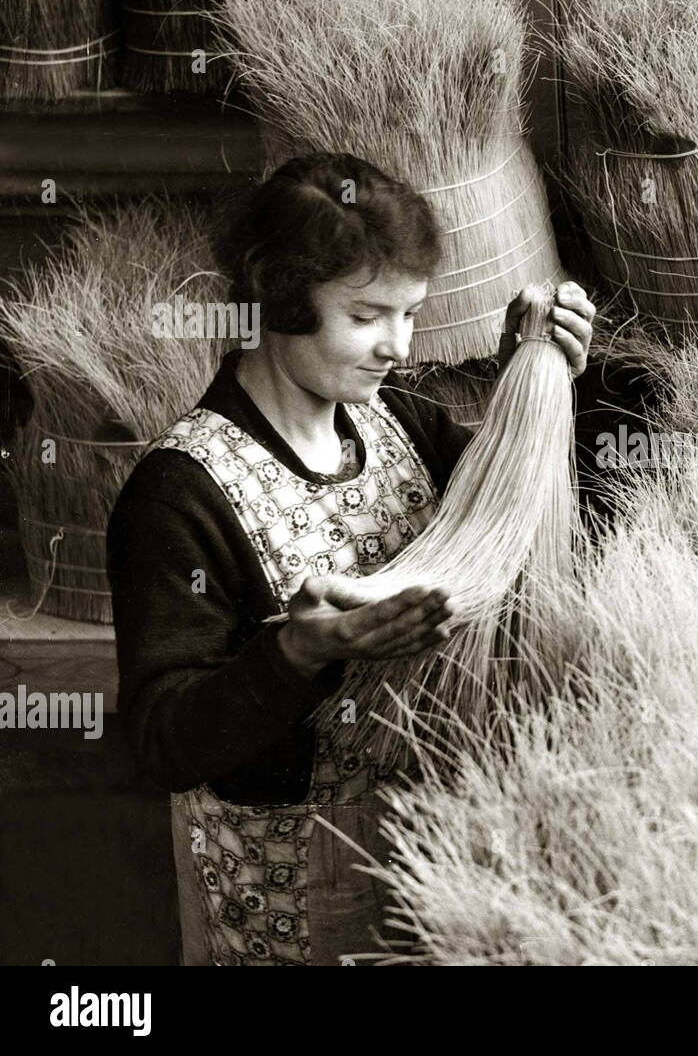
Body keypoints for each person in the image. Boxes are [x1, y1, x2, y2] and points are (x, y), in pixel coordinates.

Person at [106, 152, 593, 966]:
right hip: (279, 896)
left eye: (409, 313)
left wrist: (533, 375)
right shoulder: (178, 495)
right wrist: (297, 652)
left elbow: (498, 507)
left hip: (427, 854)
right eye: (367, 316)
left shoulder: (401, 422)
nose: (397, 346)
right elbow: (163, 741)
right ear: (279, 298)